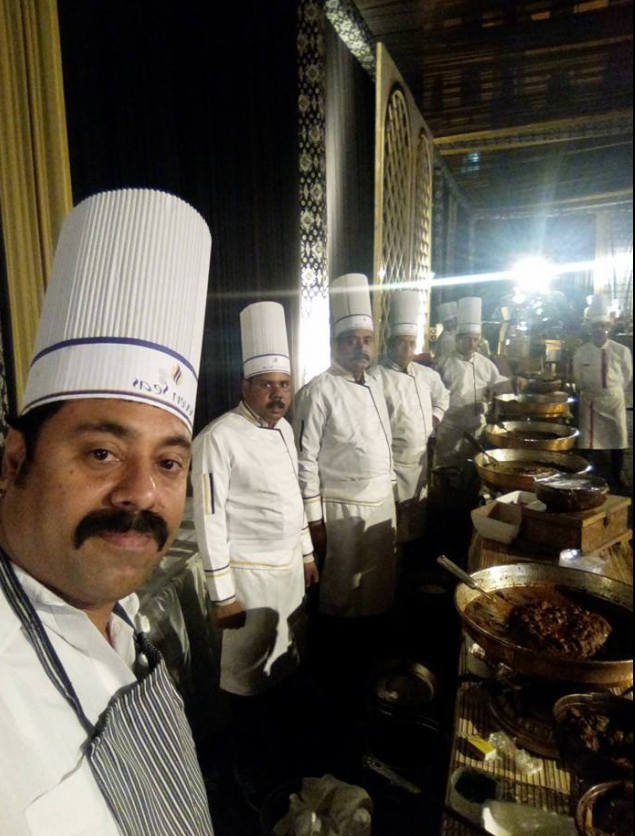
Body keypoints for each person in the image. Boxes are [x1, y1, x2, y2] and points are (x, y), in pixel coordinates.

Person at [0, 189, 216, 836]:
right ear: (14, 462)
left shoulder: (116, 609)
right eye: (102, 452)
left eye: (168, 462)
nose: (141, 493)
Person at [191, 301, 319, 800]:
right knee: (244, 682)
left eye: (284, 384)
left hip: (287, 573)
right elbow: (209, 520)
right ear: (245, 386)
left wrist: (307, 555)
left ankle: (282, 756)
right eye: (267, 385)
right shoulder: (218, 438)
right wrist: (222, 594)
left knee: (283, 667)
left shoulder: (284, 430)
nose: (278, 394)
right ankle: (249, 773)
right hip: (247, 580)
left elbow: (293, 497)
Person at [294, 274, 397, 621]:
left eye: (367, 340)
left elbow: (383, 440)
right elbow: (305, 460)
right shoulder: (318, 391)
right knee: (343, 593)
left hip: (382, 503)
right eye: (351, 340)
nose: (360, 347)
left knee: (377, 587)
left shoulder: (375, 383)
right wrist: (314, 520)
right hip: (342, 509)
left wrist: (391, 487)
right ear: (335, 344)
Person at [372, 290, 449, 544]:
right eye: (401, 343)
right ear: (389, 344)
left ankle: (412, 558)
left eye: (412, 343)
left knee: (416, 521)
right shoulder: (376, 377)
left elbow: (443, 397)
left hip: (420, 461)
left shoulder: (426, 375)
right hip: (392, 463)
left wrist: (434, 418)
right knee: (392, 525)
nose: (407, 349)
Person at [436, 297, 511, 472]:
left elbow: (500, 385)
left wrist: (514, 383)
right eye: (468, 339)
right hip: (450, 427)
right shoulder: (443, 364)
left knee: (474, 469)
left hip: (477, 426)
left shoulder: (485, 364)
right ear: (458, 339)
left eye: (476, 340)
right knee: (448, 469)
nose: (472, 344)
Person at [573, 294, 633, 486]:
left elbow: (628, 376)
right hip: (590, 401)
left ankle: (617, 474)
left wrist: (613, 390)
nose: (599, 330)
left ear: (609, 327)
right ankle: (587, 474)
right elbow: (578, 377)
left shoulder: (621, 351)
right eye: (595, 326)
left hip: (614, 401)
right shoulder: (582, 352)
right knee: (588, 441)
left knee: (618, 438)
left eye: (603, 326)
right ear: (590, 328)